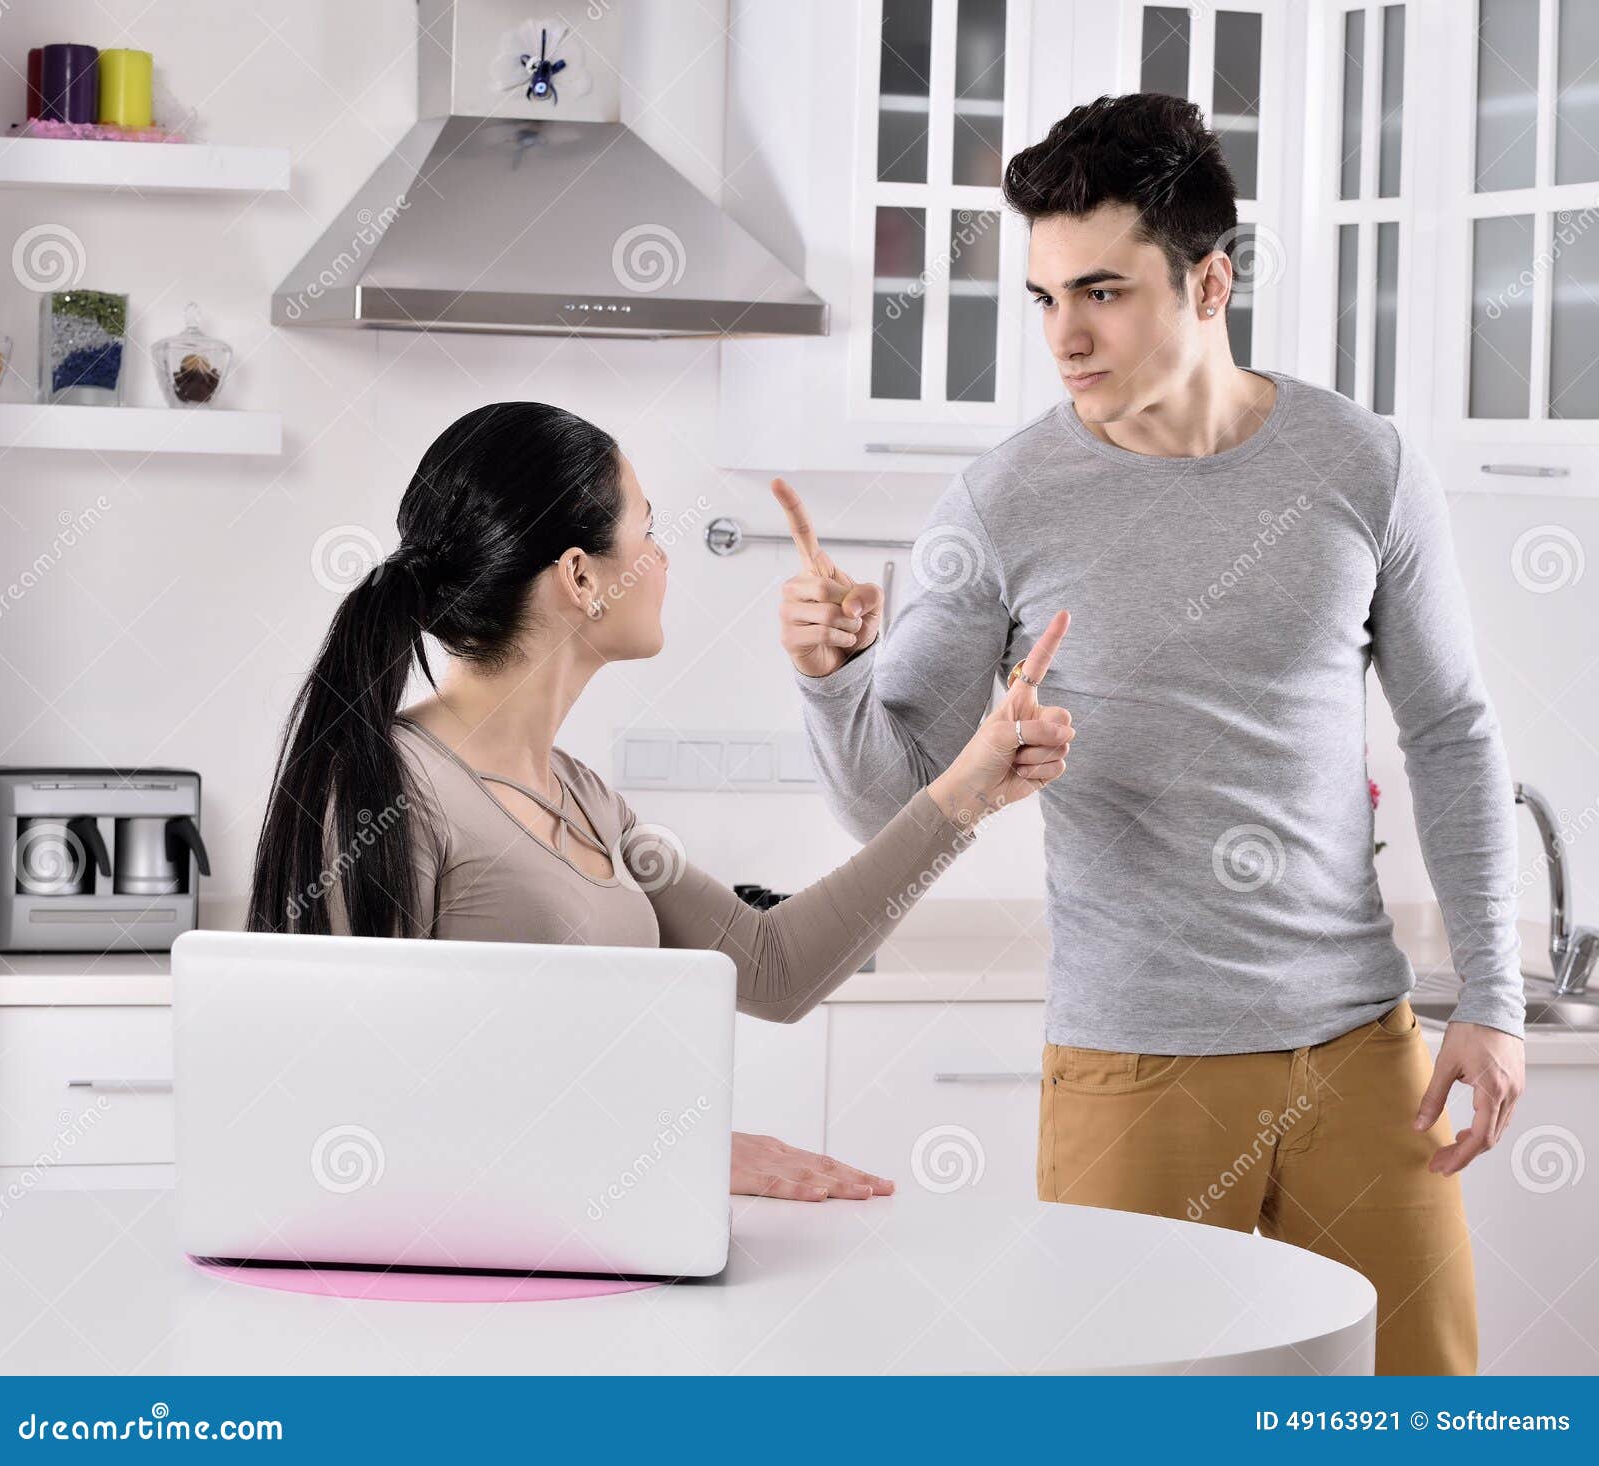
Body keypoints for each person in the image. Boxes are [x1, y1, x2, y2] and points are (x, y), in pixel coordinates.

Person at [775, 93, 1524, 1374]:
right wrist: (833, 676)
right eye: (1044, 298)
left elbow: (1450, 728)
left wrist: (1494, 994)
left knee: (1420, 1419)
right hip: (1134, 1066)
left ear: (1210, 281)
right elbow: (887, 798)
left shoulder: (1364, 464)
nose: (1064, 336)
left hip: (1360, 1047)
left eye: (1104, 292)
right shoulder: (1001, 498)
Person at [245, 400, 1073, 1205]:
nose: (664, 558)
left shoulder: (587, 802)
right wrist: (676, 1151)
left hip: (593, 1271)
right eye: (648, 530)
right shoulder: (385, 792)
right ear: (580, 577)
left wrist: (969, 792)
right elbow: (343, 1116)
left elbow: (773, 967)